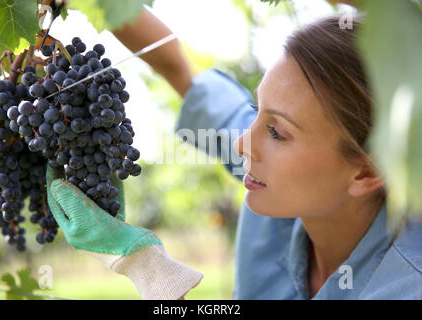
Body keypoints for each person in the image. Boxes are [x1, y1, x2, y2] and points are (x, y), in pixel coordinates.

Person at [47, 5, 422, 300]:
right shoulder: (277, 186)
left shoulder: (407, 286)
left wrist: (148, 268)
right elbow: (177, 66)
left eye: (276, 132)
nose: (244, 142)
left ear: (366, 173)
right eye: (258, 112)